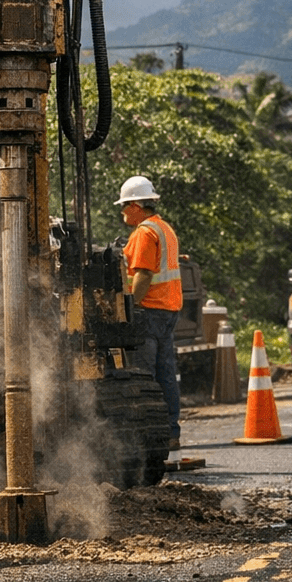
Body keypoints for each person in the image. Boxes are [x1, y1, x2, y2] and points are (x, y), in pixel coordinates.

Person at [116, 175, 183, 450]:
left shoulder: (144, 232)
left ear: (135, 205)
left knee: (144, 375)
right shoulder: (164, 228)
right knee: (166, 373)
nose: (121, 212)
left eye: (124, 206)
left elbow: (143, 274)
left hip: (151, 310)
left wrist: (130, 306)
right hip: (168, 310)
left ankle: (149, 436)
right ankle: (170, 433)